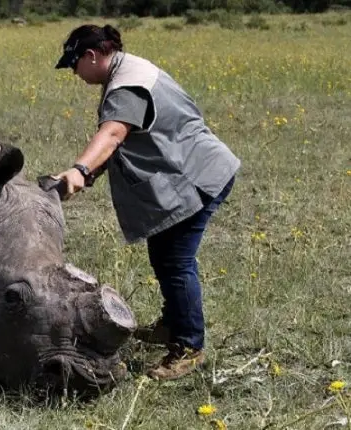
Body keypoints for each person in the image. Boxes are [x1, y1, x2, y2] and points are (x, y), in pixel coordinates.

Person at [50, 24, 241, 381]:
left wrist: (79, 169)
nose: (74, 73)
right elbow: (122, 141)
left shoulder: (127, 85)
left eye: (74, 64)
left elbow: (113, 133)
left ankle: (188, 346)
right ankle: (173, 324)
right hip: (190, 172)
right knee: (165, 254)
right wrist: (88, 175)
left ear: (91, 56)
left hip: (198, 176)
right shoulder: (127, 70)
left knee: (175, 260)